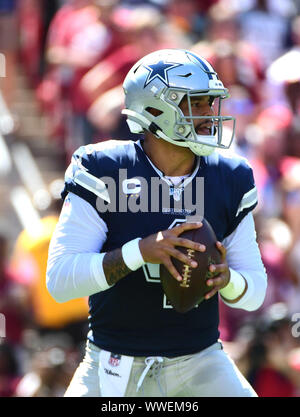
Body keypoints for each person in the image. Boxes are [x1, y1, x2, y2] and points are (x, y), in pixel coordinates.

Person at [46, 48, 267, 397]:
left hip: (200, 360)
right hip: (113, 363)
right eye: (197, 104)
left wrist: (227, 280)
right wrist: (140, 253)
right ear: (154, 109)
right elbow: (59, 280)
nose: (211, 114)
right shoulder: (103, 169)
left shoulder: (231, 175)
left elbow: (254, 291)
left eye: (211, 103)